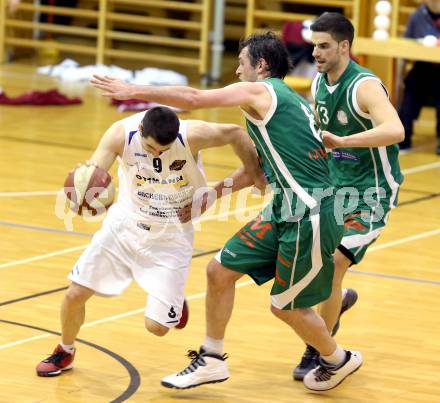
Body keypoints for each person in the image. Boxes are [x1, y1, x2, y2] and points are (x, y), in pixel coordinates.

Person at [91, 31, 363, 392]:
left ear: (261, 66)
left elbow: (193, 97)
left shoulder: (263, 91)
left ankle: (338, 359)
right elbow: (262, 173)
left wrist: (132, 89)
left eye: (241, 63)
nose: (237, 72)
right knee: (219, 271)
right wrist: (216, 192)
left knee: (285, 308)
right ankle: (212, 359)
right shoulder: (284, 103)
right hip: (284, 207)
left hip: (310, 213)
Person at [35, 106, 263, 377]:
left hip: (172, 235)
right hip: (124, 226)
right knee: (75, 294)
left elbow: (236, 132)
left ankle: (173, 302)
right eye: (152, 148)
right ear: (141, 130)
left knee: (156, 328)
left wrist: (237, 181)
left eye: (164, 151)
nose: (158, 154)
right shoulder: (120, 134)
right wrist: (82, 192)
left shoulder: (194, 134)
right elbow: (94, 171)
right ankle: (65, 350)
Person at [291, 12, 404, 380]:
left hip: (373, 191)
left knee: (335, 262)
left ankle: (319, 350)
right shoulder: (318, 84)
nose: (317, 53)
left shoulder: (365, 86)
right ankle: (335, 306)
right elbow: (319, 136)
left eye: (324, 46)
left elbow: (396, 129)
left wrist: (345, 141)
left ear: (344, 46)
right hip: (335, 186)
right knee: (319, 264)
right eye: (314, 46)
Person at [398, 0, 440, 154]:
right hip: (423, 67)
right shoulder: (416, 16)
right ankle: (404, 136)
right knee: (411, 86)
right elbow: (407, 43)